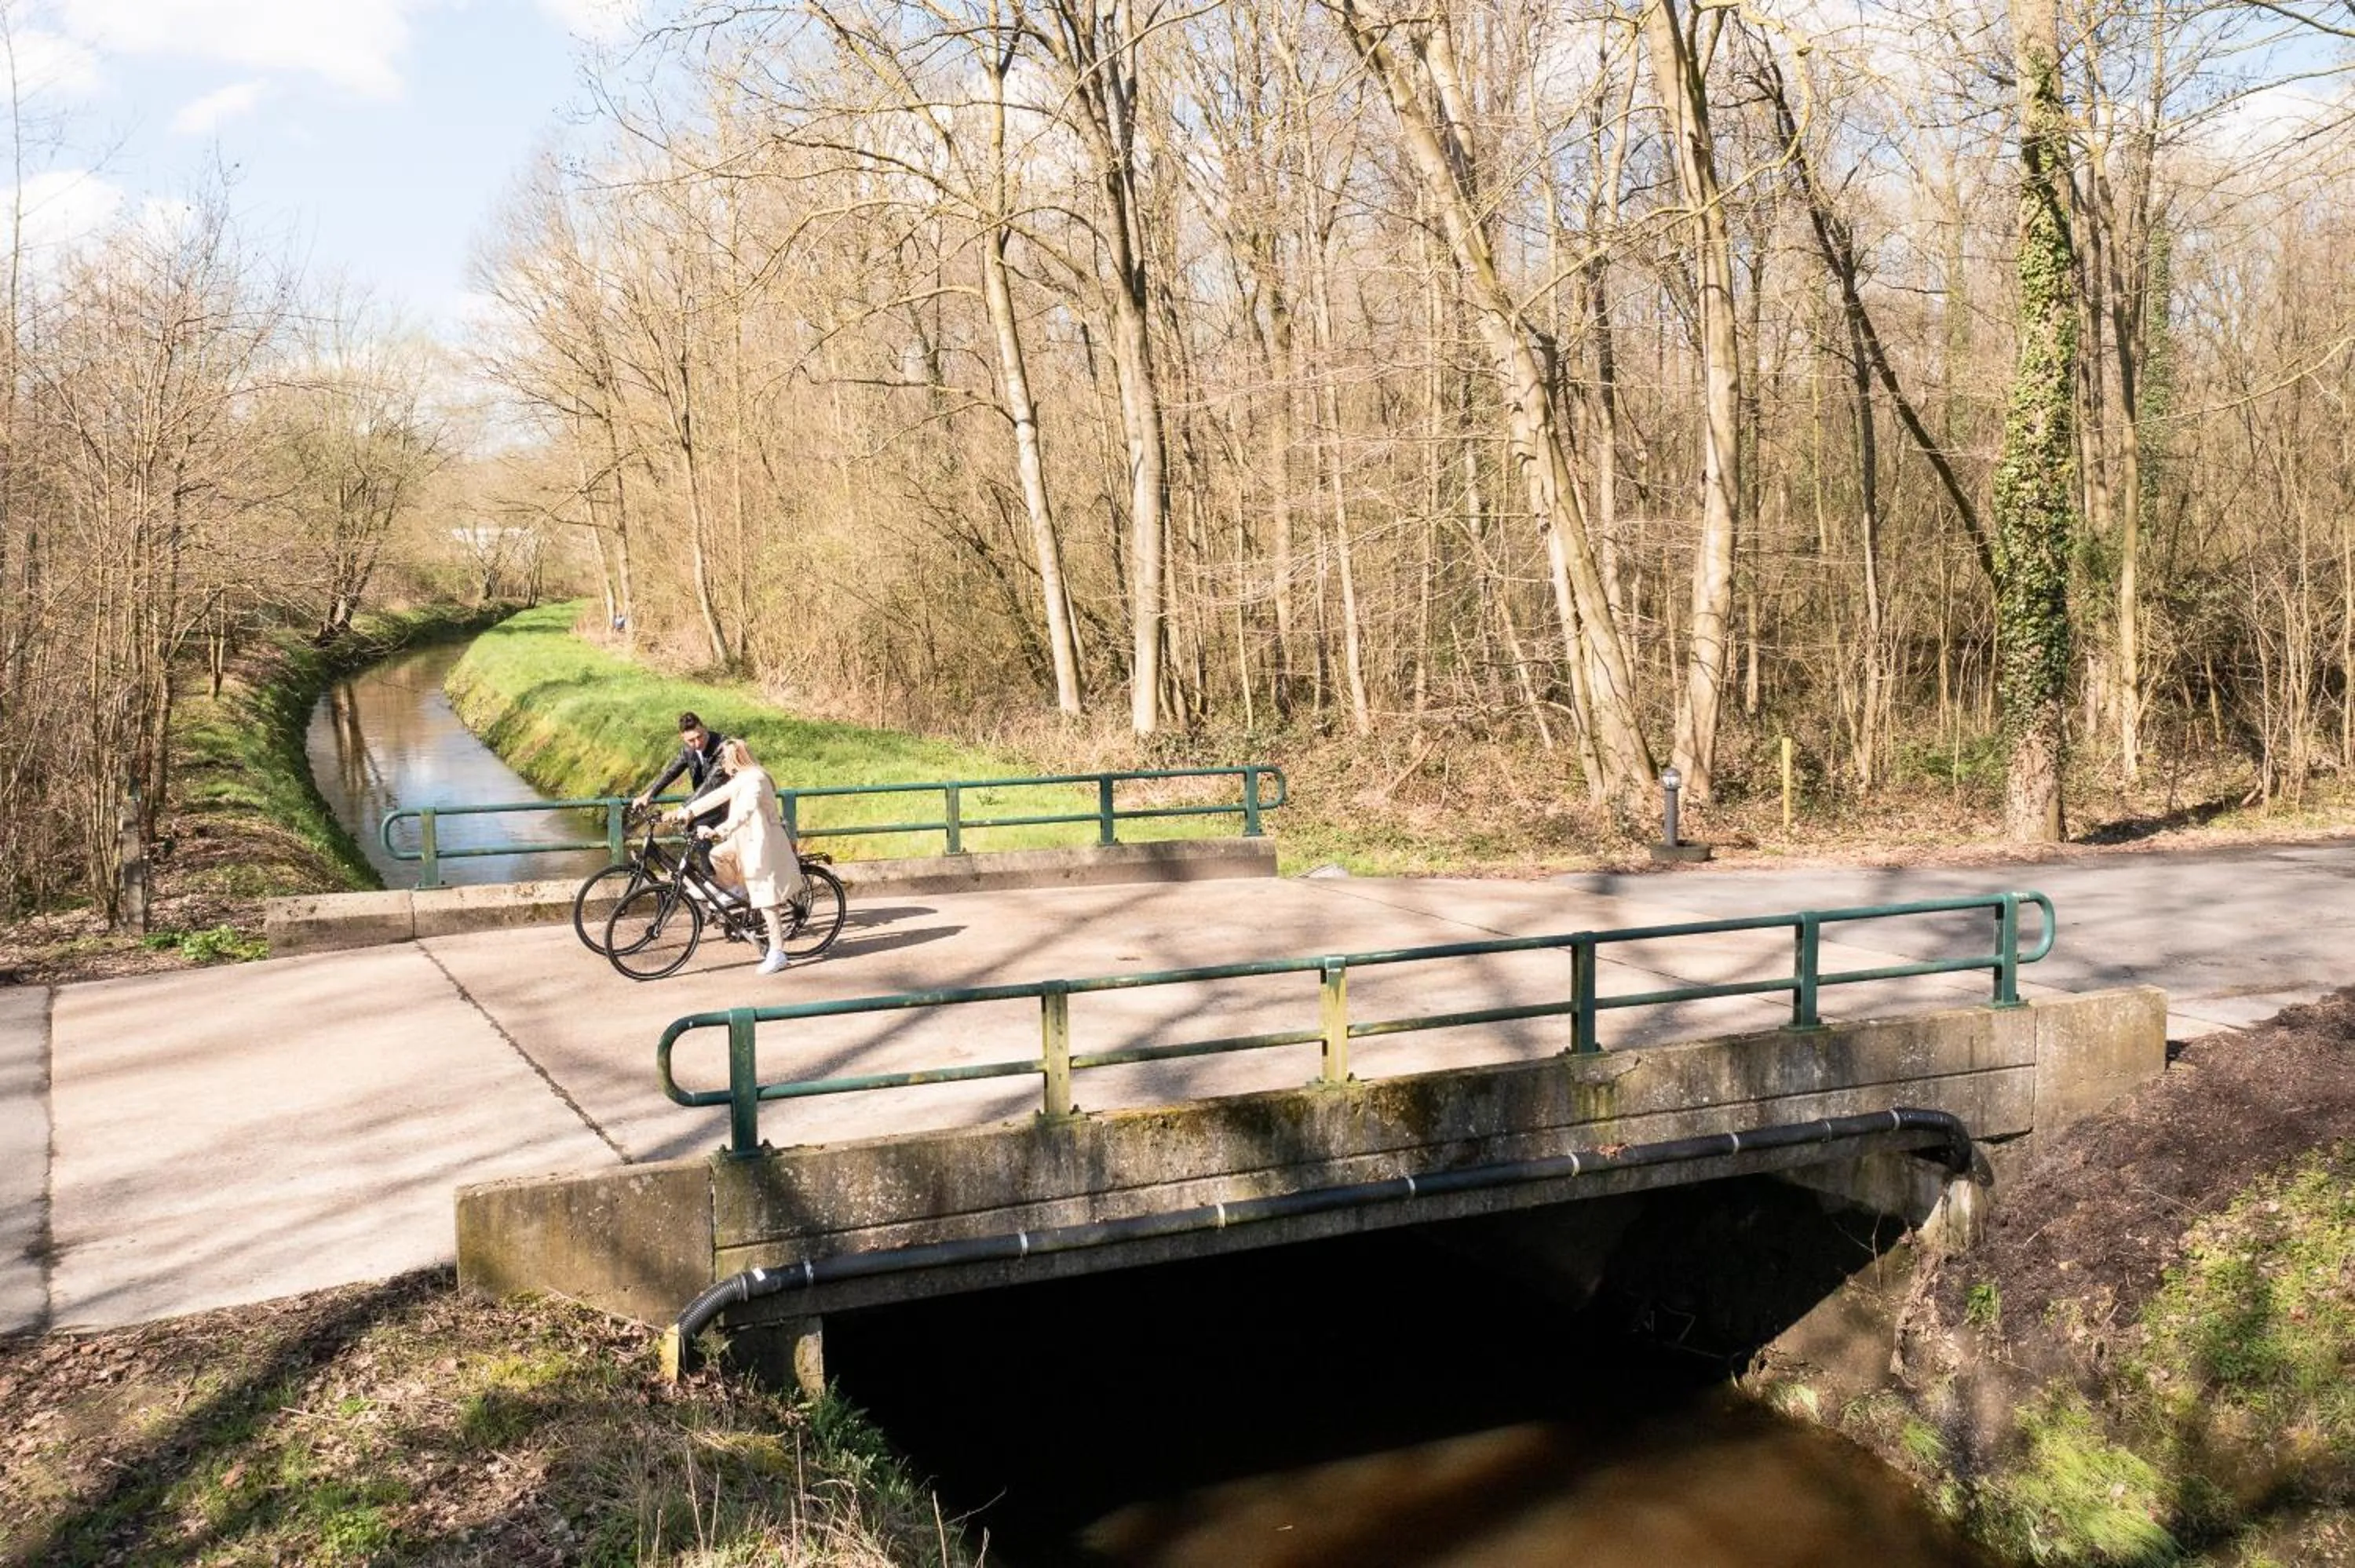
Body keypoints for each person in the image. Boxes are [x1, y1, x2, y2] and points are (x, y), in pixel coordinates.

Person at [677, 737, 805, 975]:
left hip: (762, 844)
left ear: (734, 759)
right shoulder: (741, 778)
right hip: (744, 841)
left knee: (767, 902)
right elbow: (718, 795)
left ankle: (778, 953)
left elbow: (745, 811)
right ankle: (739, 890)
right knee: (718, 855)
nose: (722, 763)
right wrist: (688, 811)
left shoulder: (756, 779)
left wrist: (717, 831)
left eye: (724, 758)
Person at [633, 712, 728, 827]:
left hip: (729, 803)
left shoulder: (723, 748)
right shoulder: (688, 750)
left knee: (694, 825)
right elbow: (671, 772)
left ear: (705, 728)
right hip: (707, 801)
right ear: (682, 737)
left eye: (700, 736)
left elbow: (711, 784)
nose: (697, 744)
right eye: (691, 740)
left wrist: (682, 809)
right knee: (691, 827)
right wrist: (648, 795)